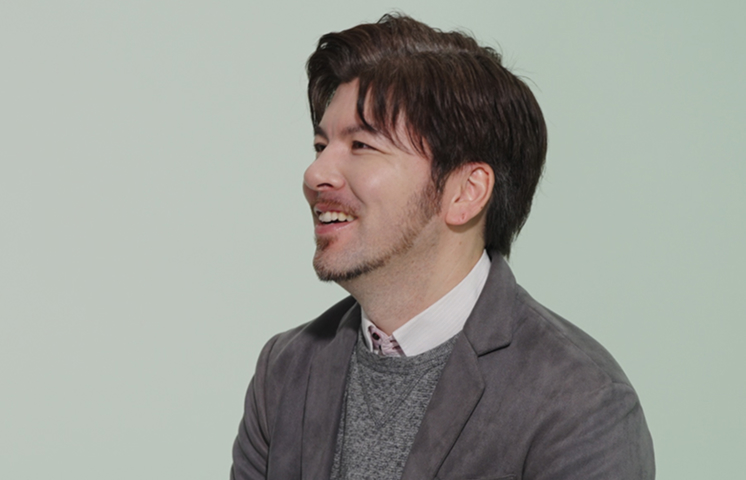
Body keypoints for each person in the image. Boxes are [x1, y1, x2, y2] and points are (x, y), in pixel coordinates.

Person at [231, 13, 654, 480]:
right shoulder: (285, 370)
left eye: (362, 145)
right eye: (320, 145)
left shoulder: (580, 403)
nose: (315, 175)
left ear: (465, 193)